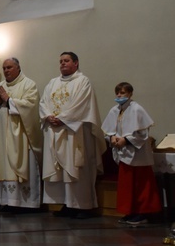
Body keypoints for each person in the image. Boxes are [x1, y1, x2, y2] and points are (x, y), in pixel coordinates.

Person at [40, 51, 106, 219]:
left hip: (74, 132)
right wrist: (48, 116)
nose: (62, 63)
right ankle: (67, 205)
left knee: (76, 167)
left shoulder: (83, 82)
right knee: (60, 170)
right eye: (61, 61)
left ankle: (84, 206)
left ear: (76, 63)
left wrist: (62, 119)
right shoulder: (52, 83)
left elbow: (81, 105)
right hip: (55, 131)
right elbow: (43, 103)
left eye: (66, 60)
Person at [101, 82, 162, 226]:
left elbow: (142, 133)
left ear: (130, 94)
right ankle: (130, 212)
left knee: (141, 185)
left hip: (138, 154)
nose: (119, 96)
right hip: (124, 154)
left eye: (122, 93)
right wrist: (112, 138)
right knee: (127, 186)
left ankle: (142, 213)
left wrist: (126, 140)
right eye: (117, 93)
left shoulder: (137, 109)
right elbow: (108, 130)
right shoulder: (115, 110)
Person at [0, 58, 43, 213]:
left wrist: (9, 100)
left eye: (9, 67)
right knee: (5, 165)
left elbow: (31, 106)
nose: (6, 70)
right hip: (3, 137)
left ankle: (26, 203)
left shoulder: (28, 84)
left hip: (21, 137)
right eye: (4, 68)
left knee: (22, 163)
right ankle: (7, 202)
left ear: (18, 68)